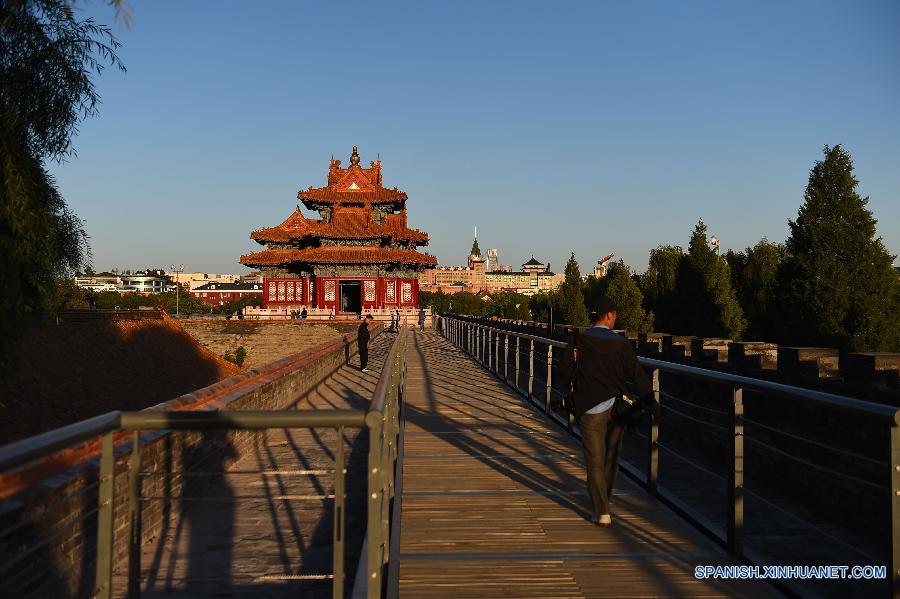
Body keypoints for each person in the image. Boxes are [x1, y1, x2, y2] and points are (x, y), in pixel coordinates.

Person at [572, 296, 661, 527]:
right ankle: (605, 500)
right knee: (611, 457)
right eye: (615, 316)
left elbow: (568, 370)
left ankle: (601, 510)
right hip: (616, 408)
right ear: (609, 315)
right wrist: (651, 403)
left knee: (594, 459)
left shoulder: (580, 341)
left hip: (590, 408)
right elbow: (637, 375)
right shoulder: (621, 344)